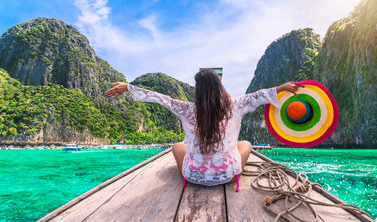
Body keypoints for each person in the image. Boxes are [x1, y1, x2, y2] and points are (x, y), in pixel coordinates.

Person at [105, 68, 300, 191]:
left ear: (197, 90)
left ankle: (197, 168)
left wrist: (128, 87)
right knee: (246, 144)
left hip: (193, 176)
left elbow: (160, 98)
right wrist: (282, 87)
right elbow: (259, 95)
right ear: (219, 87)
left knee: (177, 146)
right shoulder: (235, 105)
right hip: (228, 176)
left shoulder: (187, 109)